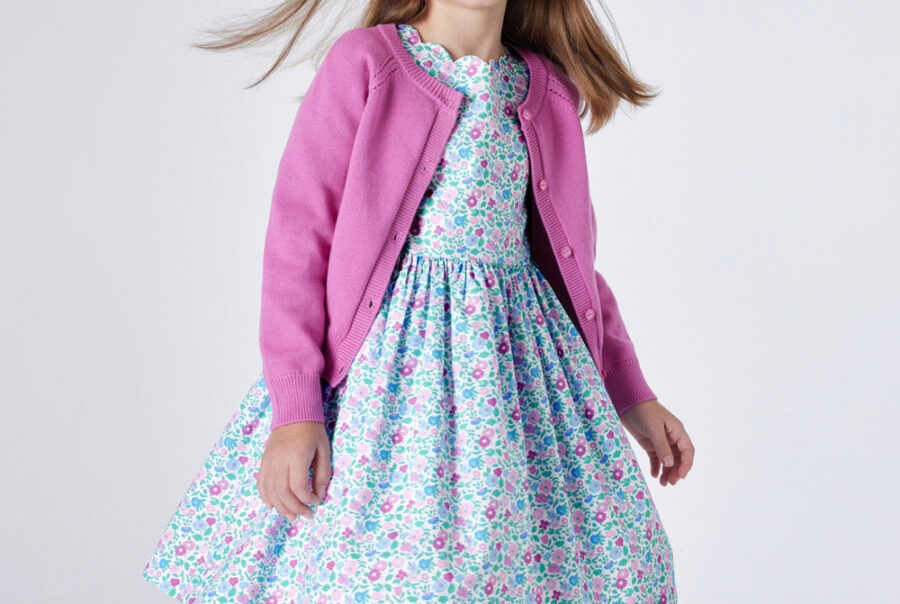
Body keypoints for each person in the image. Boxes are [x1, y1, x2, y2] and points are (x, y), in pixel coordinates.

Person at [143, 2, 693, 602]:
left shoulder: (547, 89)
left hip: (519, 385)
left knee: (594, 564)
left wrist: (632, 394)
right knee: (411, 575)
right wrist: (296, 410)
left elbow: (573, 266)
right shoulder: (367, 63)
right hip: (391, 382)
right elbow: (299, 241)